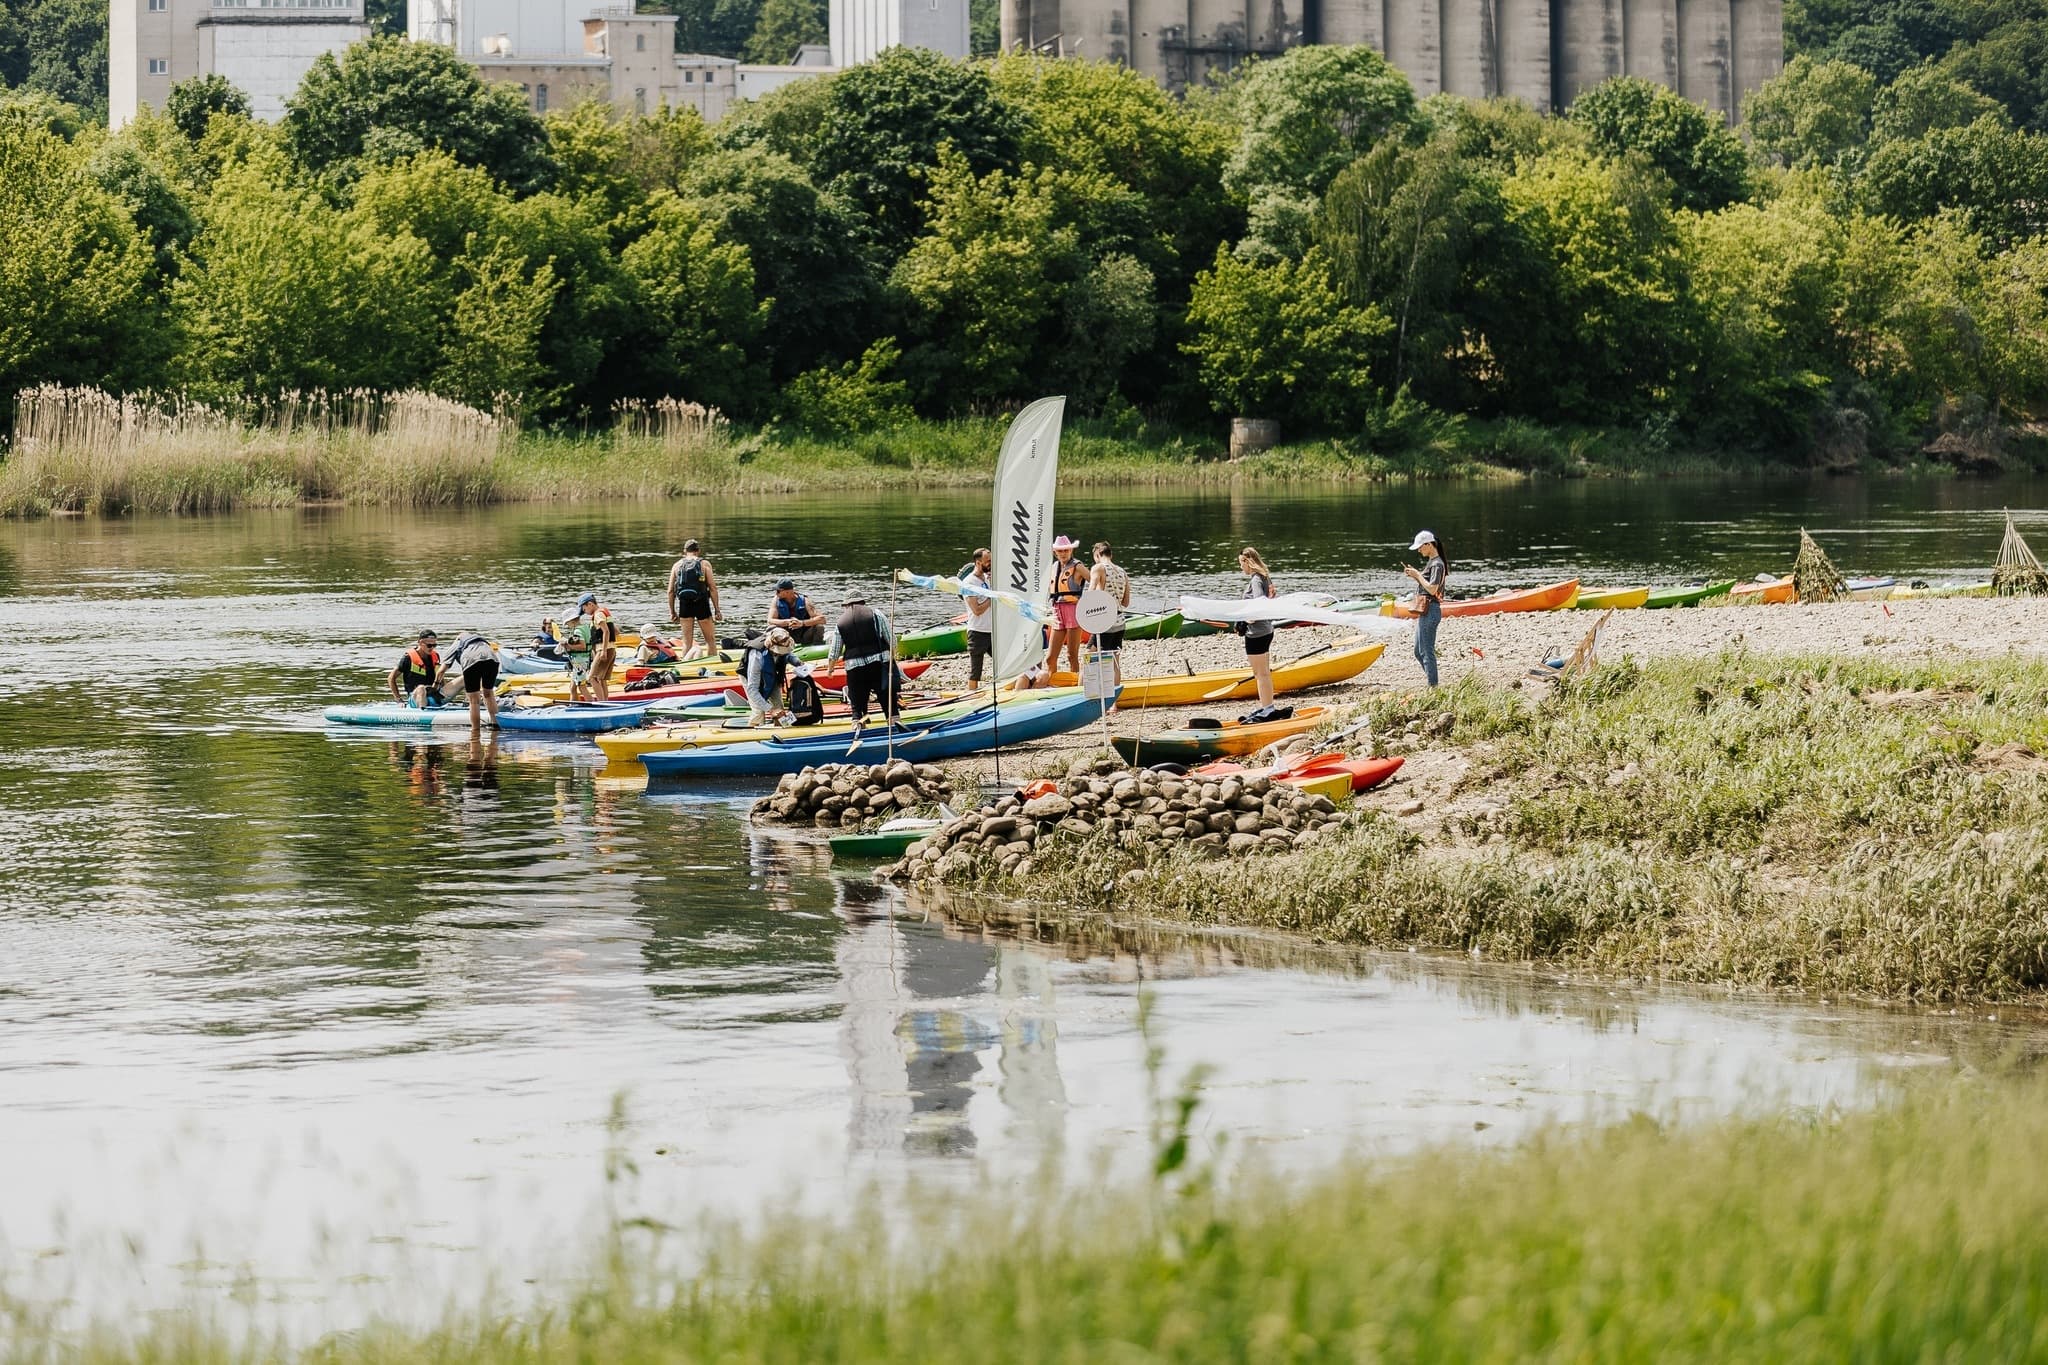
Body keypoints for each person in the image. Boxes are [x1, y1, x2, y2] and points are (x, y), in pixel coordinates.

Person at [827, 594, 899, 732]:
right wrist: (893, 657)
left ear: (846, 605)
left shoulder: (840, 622)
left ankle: (858, 726)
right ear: (863, 602)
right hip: (879, 663)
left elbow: (835, 650)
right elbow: (891, 639)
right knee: (887, 698)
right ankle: (894, 726)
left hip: (854, 667)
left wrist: (830, 670)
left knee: (857, 701)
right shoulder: (875, 614)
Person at [1402, 530, 1447, 687]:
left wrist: (1418, 575)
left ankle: (1433, 686)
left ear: (1429, 545)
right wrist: (1416, 576)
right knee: (1418, 651)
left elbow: (1433, 590)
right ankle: (1432, 682)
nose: (1419, 550)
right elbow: (1428, 586)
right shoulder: (1433, 562)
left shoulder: (1437, 564)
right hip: (1426, 610)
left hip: (1431, 610)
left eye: (1420, 547)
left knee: (1426, 651)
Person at [1237, 547, 1278, 708]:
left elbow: (1259, 605)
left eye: (1241, 563)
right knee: (1265, 674)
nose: (1241, 567)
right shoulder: (1265, 576)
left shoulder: (1256, 579)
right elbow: (1271, 600)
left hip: (1256, 633)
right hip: (1267, 630)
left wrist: (1245, 621)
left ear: (1247, 562)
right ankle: (1269, 707)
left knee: (1260, 675)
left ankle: (1267, 709)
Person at [666, 539, 721, 659]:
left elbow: (670, 591)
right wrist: (717, 610)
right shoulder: (704, 564)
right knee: (710, 640)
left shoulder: (677, 565)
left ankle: (685, 667)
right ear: (698, 551)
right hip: (701, 603)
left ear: (685, 551)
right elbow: (712, 588)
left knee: (686, 641)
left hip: (685, 604)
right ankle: (711, 664)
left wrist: (672, 611)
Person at [1045, 534, 1090, 674]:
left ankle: (1076, 683)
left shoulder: (1078, 566)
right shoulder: (1054, 567)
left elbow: (1094, 580)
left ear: (1071, 551)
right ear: (1055, 552)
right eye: (1060, 551)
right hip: (1057, 611)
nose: (1063, 553)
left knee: (1071, 656)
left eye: (1066, 550)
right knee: (1050, 658)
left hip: (1073, 611)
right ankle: (1051, 682)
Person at [1089, 541, 1132, 685]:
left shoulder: (1098, 568)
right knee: (1115, 662)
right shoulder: (1122, 572)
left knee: (1089, 658)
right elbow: (1125, 603)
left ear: (1097, 555)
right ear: (1111, 554)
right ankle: (1113, 703)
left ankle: (1081, 694)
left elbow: (1090, 594)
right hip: (1120, 621)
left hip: (1104, 621)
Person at [743, 626, 803, 724]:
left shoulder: (782, 643)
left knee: (779, 707)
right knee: (758, 711)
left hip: (771, 674)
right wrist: (770, 710)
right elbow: (752, 689)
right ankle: (754, 730)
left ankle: (781, 729)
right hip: (749, 676)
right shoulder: (757, 656)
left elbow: (787, 654)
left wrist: (797, 662)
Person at [443, 630, 501, 730]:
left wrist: (435, 685)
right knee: (489, 693)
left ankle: (475, 730)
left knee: (474, 700)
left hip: (471, 661)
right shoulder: (480, 640)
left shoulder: (458, 642)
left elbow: (442, 669)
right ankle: (495, 724)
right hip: (492, 659)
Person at [576, 591, 619, 701]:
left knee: (591, 677)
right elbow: (616, 631)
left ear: (590, 604)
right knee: (601, 679)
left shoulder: (598, 614)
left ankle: (601, 703)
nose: (585, 612)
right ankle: (605, 701)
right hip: (611, 648)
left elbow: (606, 631)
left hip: (603, 650)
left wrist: (603, 650)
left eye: (584, 609)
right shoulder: (605, 612)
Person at [962, 547, 995, 687]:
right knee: (976, 671)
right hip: (978, 631)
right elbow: (976, 610)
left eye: (991, 561)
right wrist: (992, 597)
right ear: (978, 562)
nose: (990, 564)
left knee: (1004, 661)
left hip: (992, 630)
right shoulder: (969, 583)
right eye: (987, 561)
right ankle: (972, 695)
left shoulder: (988, 579)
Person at [388, 629, 442, 708]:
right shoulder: (408, 658)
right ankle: (423, 715)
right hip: (416, 697)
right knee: (421, 688)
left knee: (462, 679)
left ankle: (466, 705)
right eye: (429, 645)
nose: (432, 648)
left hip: (433, 696)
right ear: (420, 643)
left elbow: (440, 678)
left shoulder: (435, 656)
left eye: (434, 645)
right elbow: (391, 678)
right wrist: (399, 700)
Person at [769, 579, 827, 646]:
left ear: (787, 592)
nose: (776, 593)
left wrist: (801, 623)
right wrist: (788, 622)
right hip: (785, 636)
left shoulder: (805, 601)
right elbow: (770, 620)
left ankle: (817, 646)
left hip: (804, 635)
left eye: (778, 591)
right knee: (771, 627)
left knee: (819, 626)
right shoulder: (776, 600)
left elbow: (822, 619)